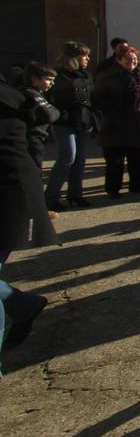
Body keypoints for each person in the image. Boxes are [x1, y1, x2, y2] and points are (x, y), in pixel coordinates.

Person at [0, 81, 59, 372]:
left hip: (10, 193)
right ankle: (22, 305)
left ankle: (22, 305)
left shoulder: (10, 98)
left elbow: (49, 116)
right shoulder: (14, 95)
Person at [93, 43, 140, 198]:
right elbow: (98, 99)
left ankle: (137, 185)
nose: (132, 62)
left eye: (134, 59)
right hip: (115, 125)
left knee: (137, 158)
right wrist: (111, 114)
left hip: (138, 123)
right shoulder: (108, 76)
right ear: (119, 60)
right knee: (115, 160)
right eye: (128, 59)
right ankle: (113, 189)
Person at [44, 41, 95, 211]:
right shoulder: (58, 76)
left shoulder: (84, 75)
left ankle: (75, 195)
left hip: (84, 122)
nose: (87, 59)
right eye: (84, 56)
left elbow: (91, 97)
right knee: (68, 157)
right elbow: (50, 99)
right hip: (64, 123)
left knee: (79, 160)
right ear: (74, 57)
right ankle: (51, 197)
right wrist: (59, 114)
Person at [20, 62, 60, 174]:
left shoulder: (39, 93)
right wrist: (55, 111)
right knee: (34, 172)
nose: (52, 83)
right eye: (48, 79)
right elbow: (50, 115)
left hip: (37, 139)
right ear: (34, 79)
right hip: (31, 140)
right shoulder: (30, 94)